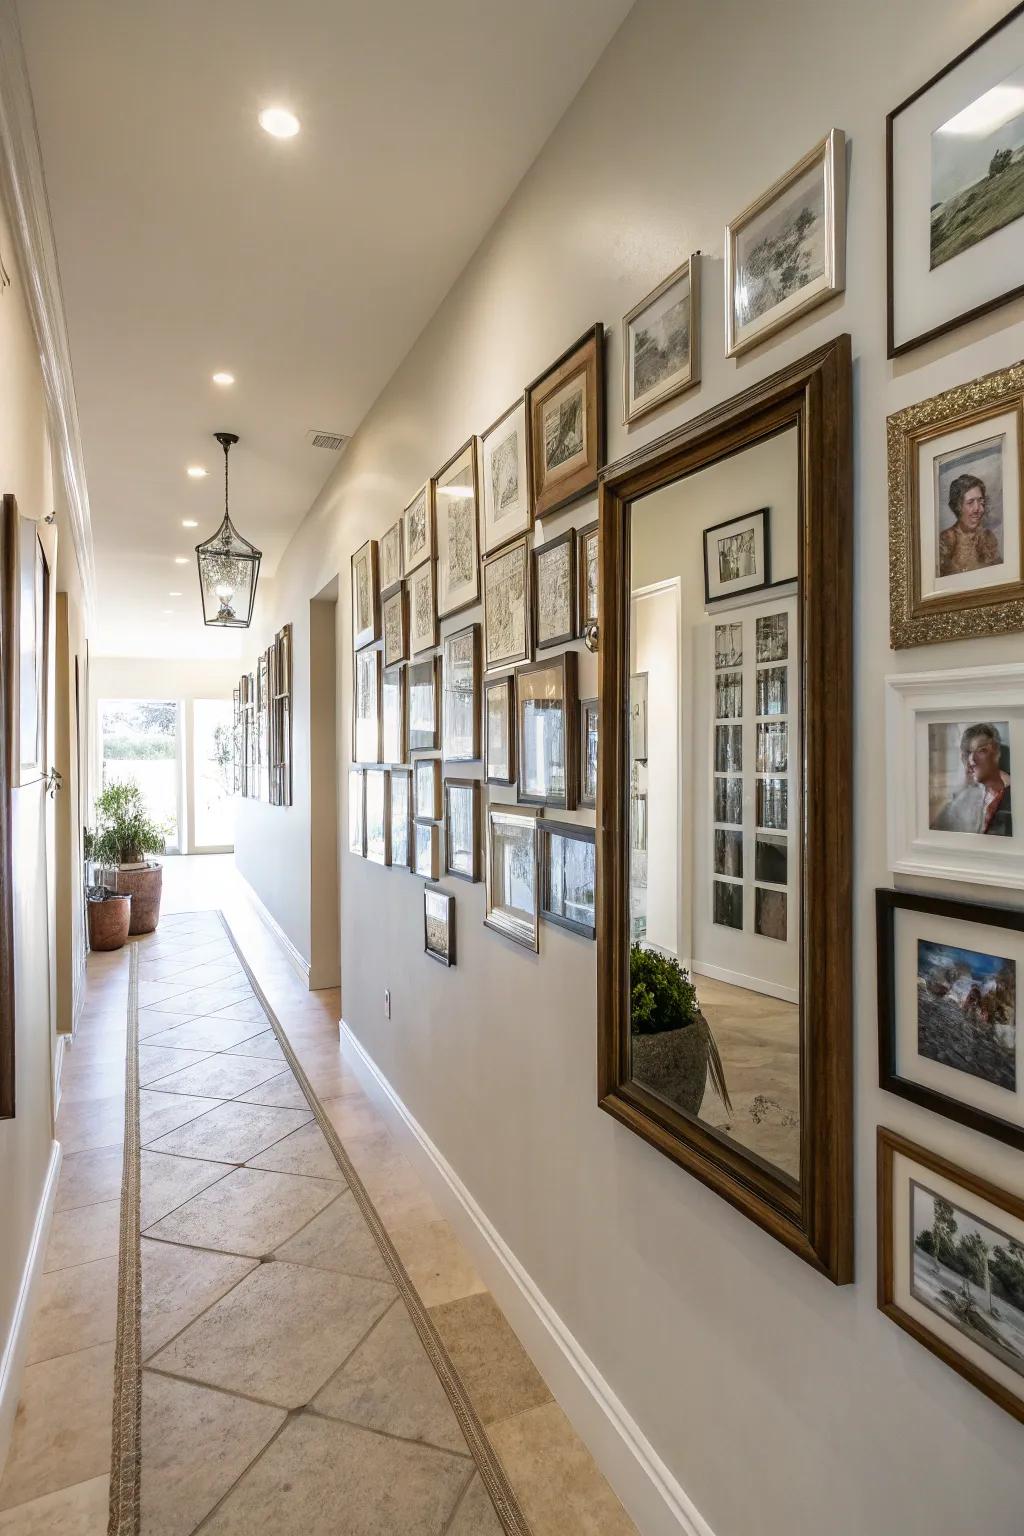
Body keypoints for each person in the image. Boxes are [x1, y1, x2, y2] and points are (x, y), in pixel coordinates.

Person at [933, 723, 1012, 836]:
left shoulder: (1013, 795)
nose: (972, 760)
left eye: (981, 750)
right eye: (969, 753)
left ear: (997, 753)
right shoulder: (967, 797)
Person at [938, 473, 1000, 576]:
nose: (978, 509)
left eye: (981, 501)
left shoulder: (988, 536)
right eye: (970, 502)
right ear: (958, 507)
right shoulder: (946, 540)